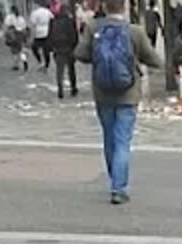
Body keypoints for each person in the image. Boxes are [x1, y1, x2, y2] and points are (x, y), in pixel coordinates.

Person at [75, 0, 162, 204]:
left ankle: (115, 178)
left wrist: (98, 59)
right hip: (128, 93)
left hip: (102, 92)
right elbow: (154, 59)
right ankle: (119, 188)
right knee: (123, 140)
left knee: (109, 138)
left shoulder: (93, 28)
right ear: (125, 7)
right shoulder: (135, 31)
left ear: (105, 7)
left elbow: (80, 53)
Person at [49, 0, 79, 97]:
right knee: (71, 69)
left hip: (58, 48)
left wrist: (52, 47)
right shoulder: (70, 21)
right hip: (69, 48)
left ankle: (60, 89)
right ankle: (73, 88)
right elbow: (74, 35)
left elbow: (50, 35)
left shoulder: (53, 21)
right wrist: (75, 46)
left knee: (59, 70)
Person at [30, 0, 53, 68]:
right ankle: (47, 64)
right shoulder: (47, 11)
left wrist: (32, 36)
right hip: (47, 32)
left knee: (34, 48)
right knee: (46, 49)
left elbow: (33, 25)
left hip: (38, 33)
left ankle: (40, 61)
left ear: (36, 4)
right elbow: (52, 19)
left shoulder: (34, 13)